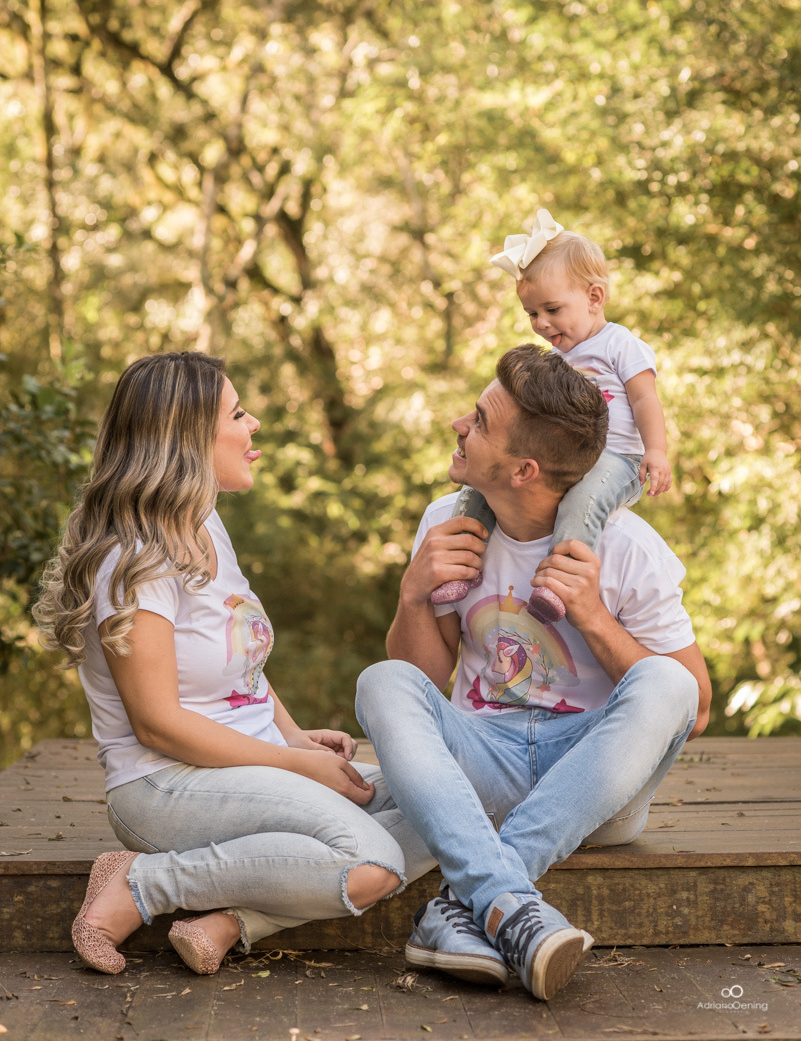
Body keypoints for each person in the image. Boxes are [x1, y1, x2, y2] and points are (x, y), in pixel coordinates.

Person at [35, 352, 434, 976]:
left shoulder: (204, 523)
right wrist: (295, 764)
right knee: (369, 864)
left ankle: (232, 921)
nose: (254, 426)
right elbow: (158, 724)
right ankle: (143, 883)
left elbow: (241, 660)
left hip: (250, 766)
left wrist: (293, 736)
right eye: (237, 413)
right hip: (164, 786)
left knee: (442, 805)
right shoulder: (134, 559)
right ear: (185, 437)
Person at [356, 343, 711, 1002]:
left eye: (479, 421)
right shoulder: (446, 524)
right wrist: (413, 595)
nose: (459, 425)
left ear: (524, 470)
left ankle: (469, 900)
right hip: (480, 766)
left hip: (593, 788)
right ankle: (503, 906)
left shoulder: (627, 546)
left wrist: (593, 617)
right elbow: (421, 677)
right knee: (382, 682)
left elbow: (696, 708)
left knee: (671, 682)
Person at [449, 208, 670, 625]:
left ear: (594, 298)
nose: (541, 323)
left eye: (552, 309)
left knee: (584, 500)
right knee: (484, 482)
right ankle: (460, 564)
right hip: (565, 458)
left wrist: (655, 452)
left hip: (617, 459)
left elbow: (645, 399)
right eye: (532, 313)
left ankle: (559, 582)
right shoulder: (556, 360)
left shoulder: (620, 345)